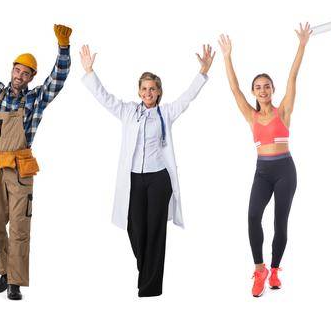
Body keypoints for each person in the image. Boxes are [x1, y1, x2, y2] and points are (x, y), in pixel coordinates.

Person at [78, 42, 213, 297]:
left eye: (152, 88)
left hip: (159, 179)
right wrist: (89, 71)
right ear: (139, 91)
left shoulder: (166, 112)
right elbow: (104, 98)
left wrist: (202, 73)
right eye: (144, 88)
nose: (148, 92)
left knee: (156, 230)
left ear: (159, 91)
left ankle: (150, 287)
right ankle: (147, 270)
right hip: (134, 180)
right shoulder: (129, 112)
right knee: (135, 227)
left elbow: (188, 97)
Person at [0, 8, 72, 301]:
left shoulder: (36, 99)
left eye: (26, 73)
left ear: (31, 77)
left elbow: (58, 79)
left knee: (20, 228)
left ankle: (15, 282)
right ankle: (5, 268)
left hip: (21, 172)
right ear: (11, 69)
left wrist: (64, 49)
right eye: (17, 70)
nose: (20, 76)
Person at [217, 24, 309, 298]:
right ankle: (259, 270)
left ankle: (276, 270)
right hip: (263, 171)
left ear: (272, 89)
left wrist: (302, 45)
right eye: (258, 87)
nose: (263, 90)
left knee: (280, 223)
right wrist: (227, 57)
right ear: (254, 92)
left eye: (266, 86)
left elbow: (293, 76)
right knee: (253, 216)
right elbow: (234, 89)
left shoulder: (284, 111)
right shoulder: (251, 115)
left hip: (285, 171)